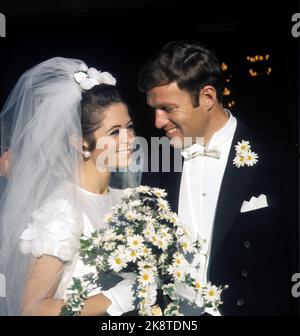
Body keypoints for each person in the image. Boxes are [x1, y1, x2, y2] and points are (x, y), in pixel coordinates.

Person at [138, 41, 298, 315]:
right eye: (154, 109)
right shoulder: (157, 163)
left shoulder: (276, 159)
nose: (157, 122)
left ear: (208, 98)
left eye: (168, 108)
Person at [0, 57, 141, 316]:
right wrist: (111, 302)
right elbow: (31, 309)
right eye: (114, 132)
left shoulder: (126, 200)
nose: (129, 139)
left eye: (129, 127)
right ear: (81, 143)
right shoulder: (63, 210)